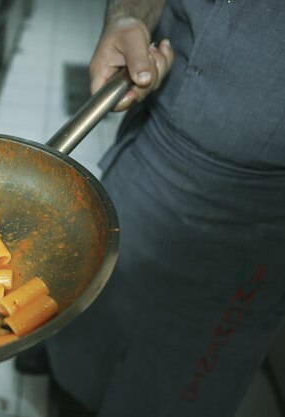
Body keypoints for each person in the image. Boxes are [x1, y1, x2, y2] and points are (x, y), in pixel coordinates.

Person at [24, 1, 285, 416]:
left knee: (178, 382)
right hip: (154, 135)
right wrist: (127, 18)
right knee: (89, 323)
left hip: (264, 205)